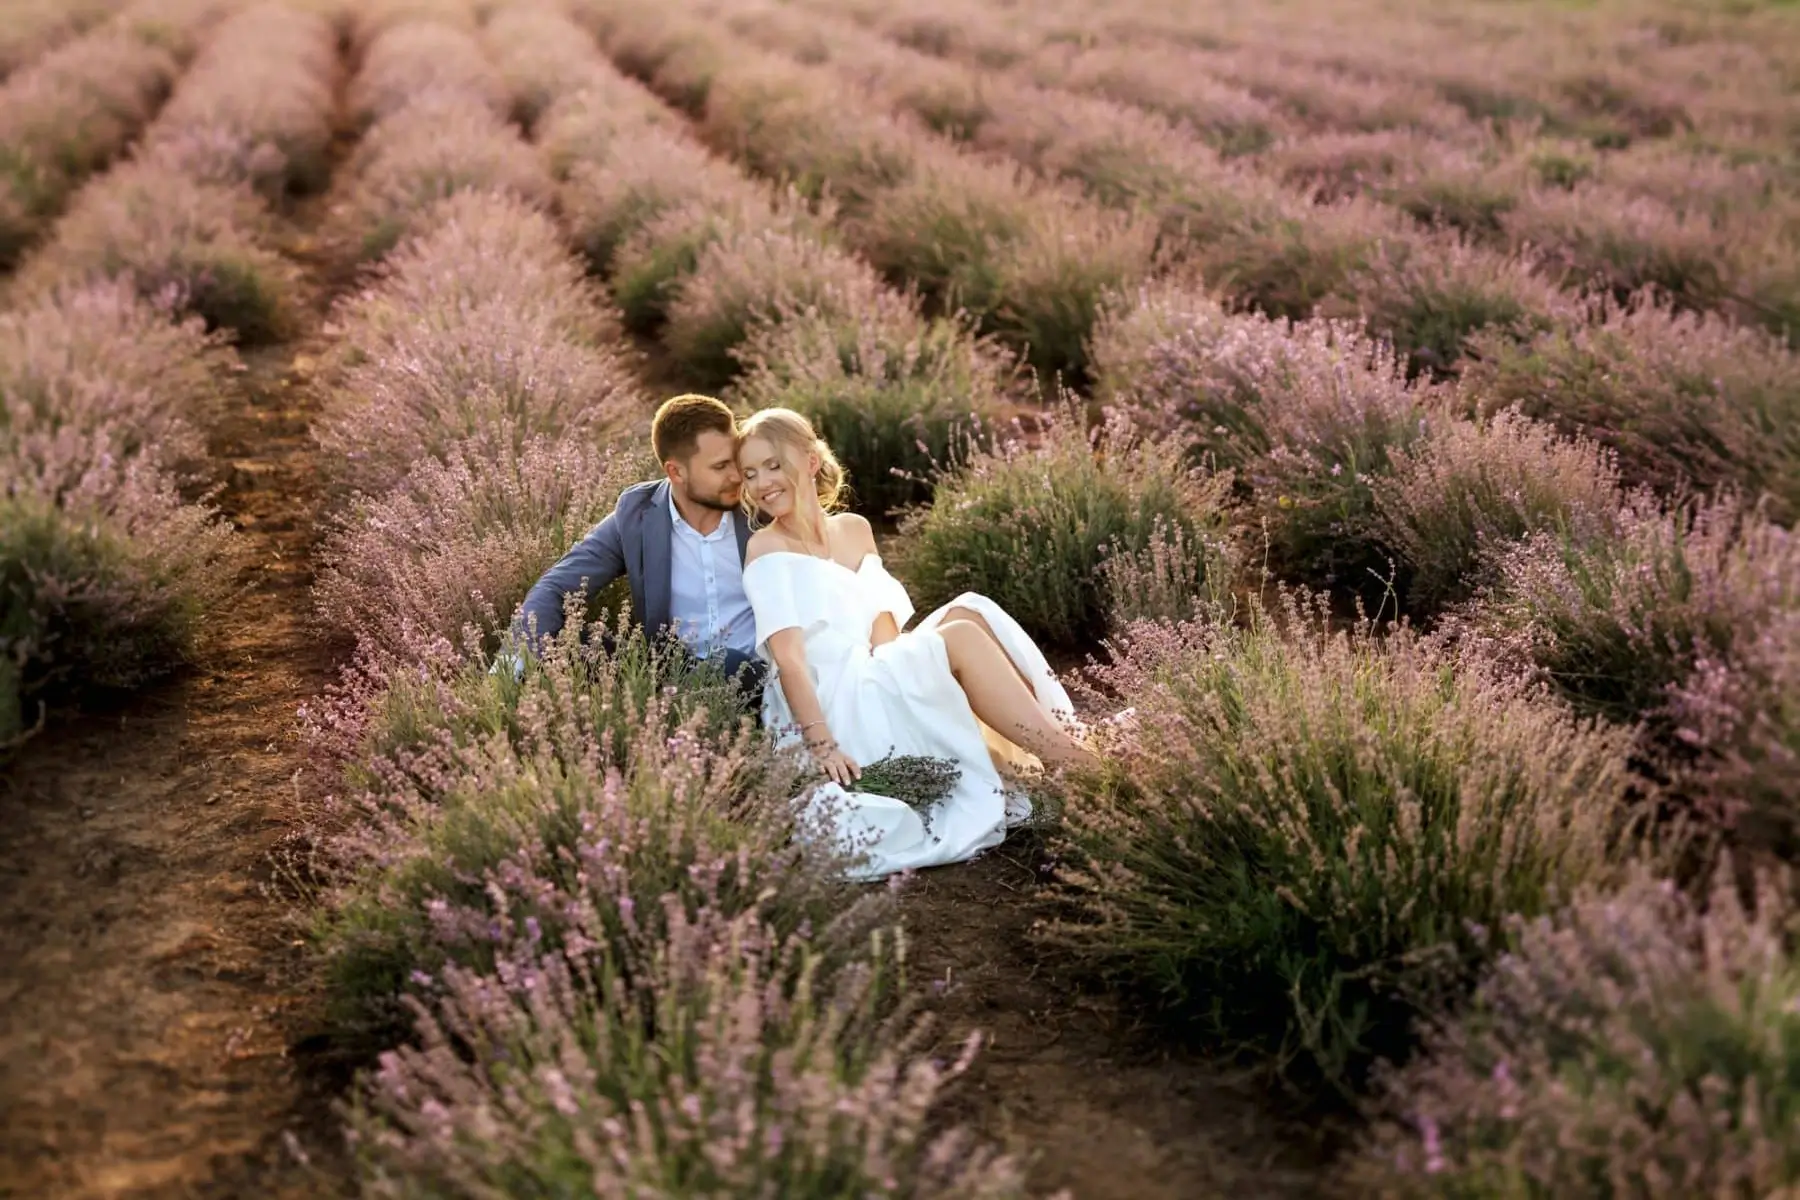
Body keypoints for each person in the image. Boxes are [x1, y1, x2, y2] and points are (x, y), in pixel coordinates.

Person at [734, 406, 1095, 879]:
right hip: (830, 697)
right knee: (959, 637)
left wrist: (925, 678)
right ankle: (1073, 765)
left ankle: (1048, 753)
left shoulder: (856, 530)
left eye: (773, 465)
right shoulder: (767, 547)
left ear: (809, 461)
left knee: (970, 611)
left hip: (871, 669)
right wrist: (821, 743)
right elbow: (789, 662)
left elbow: (886, 635)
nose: (762, 483)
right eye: (750, 473)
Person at [500, 394, 764, 696]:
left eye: (737, 460)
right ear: (675, 472)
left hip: (751, 675)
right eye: (720, 467)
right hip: (669, 676)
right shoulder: (638, 516)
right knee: (570, 643)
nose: (736, 476)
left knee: (730, 664)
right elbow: (556, 587)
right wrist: (511, 662)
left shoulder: (760, 506)